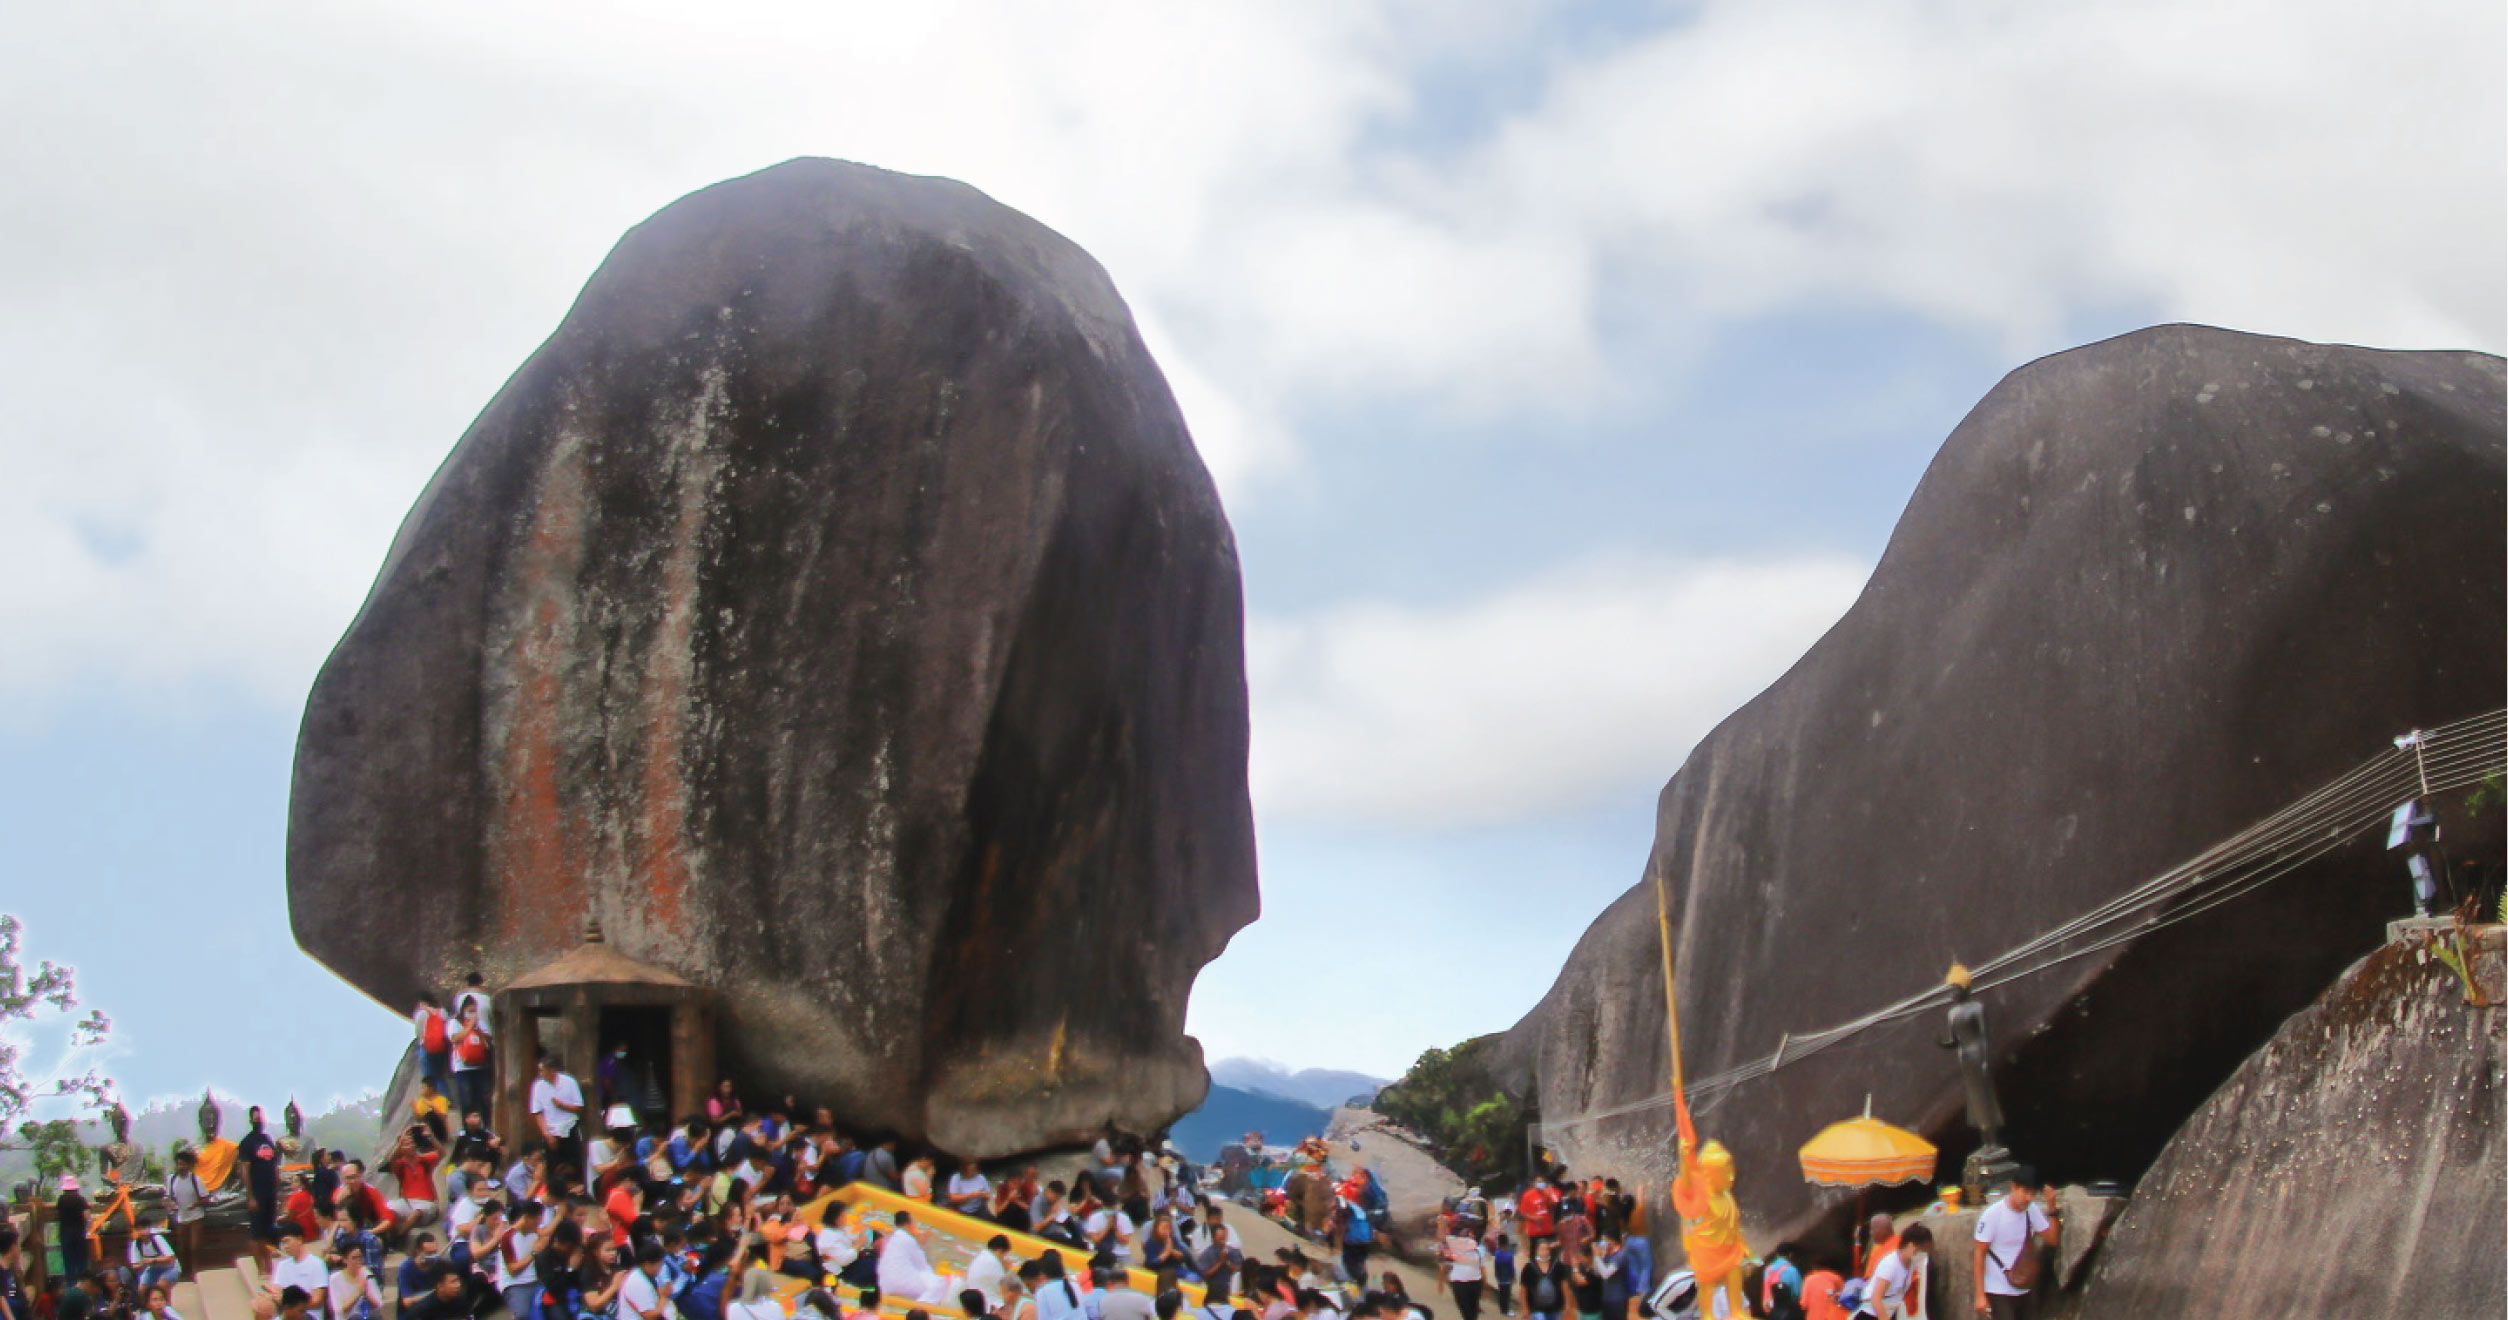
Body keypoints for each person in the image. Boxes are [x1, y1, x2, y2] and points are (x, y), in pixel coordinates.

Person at [1970, 1171, 2056, 1320]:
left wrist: (2052, 1208)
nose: (2028, 1198)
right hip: (1998, 1288)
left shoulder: (2031, 1209)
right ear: (2013, 1188)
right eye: (2025, 1192)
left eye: (2032, 1194)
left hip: (2025, 1285)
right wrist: (1980, 1295)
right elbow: (1979, 1252)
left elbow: (2052, 1240)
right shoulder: (1993, 1214)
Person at [530, 1054, 588, 1184]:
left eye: (542, 1070)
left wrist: (562, 1105)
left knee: (573, 1163)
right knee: (553, 1165)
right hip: (551, 1130)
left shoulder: (569, 1082)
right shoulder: (538, 1086)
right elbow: (537, 1112)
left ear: (552, 1070)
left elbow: (579, 1106)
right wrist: (547, 1134)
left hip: (569, 1127)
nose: (540, 1074)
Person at [1856, 1224, 1929, 1320]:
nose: (1923, 1254)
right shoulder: (1891, 1264)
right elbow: (1875, 1298)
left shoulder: (1911, 1264)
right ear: (1911, 1246)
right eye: (1922, 1249)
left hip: (1888, 1311)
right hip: (1871, 1314)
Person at [240, 1110, 281, 1268]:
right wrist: (250, 1196)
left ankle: (268, 1262)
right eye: (256, 1119)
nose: (259, 1121)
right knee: (256, 1231)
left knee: (267, 1229)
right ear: (251, 1120)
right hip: (256, 1193)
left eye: (261, 1118)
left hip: (270, 1192)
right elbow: (244, 1169)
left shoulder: (267, 1139)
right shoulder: (247, 1142)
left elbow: (274, 1164)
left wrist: (277, 1188)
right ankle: (260, 1267)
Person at [264, 1227, 329, 1320]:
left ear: (299, 1239)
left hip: (308, 1315)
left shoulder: (316, 1264)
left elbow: (317, 1300)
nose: (285, 1246)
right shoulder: (282, 1265)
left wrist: (293, 1306)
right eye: (282, 1243)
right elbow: (276, 1291)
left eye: (287, 1241)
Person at [450, 1000, 495, 1122]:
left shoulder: (479, 1023)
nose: (472, 1013)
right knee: (466, 1100)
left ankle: (486, 1125)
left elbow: (488, 1038)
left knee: (484, 1099)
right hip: (463, 1067)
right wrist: (469, 1026)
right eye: (469, 1011)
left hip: (480, 1066)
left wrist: (478, 1029)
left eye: (474, 1010)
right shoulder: (455, 1022)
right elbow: (455, 1038)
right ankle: (467, 1129)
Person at [128, 1214, 181, 1294]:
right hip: (152, 1270)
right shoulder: (136, 1243)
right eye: (139, 1229)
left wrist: (153, 1260)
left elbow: (171, 1258)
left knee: (161, 1286)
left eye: (144, 1228)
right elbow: (134, 1265)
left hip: (170, 1268)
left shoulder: (157, 1238)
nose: (142, 1232)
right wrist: (143, 1264)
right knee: (142, 1290)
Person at [1517, 1238, 1565, 1320]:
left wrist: (1567, 1304)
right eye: (1542, 1249)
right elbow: (1523, 1290)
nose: (1545, 1252)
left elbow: (1564, 1285)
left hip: (1555, 1309)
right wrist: (1525, 1308)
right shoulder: (1528, 1268)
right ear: (1537, 1251)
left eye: (1547, 1249)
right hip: (1537, 1309)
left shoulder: (1557, 1266)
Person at [56, 1178, 92, 1287]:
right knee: (81, 1262)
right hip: (79, 1234)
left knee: (69, 1263)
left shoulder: (61, 1200)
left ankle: (71, 1287)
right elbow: (87, 1217)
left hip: (65, 1234)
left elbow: (58, 1214)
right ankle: (83, 1286)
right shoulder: (81, 1200)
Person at [329, 1252, 383, 1320]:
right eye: (354, 1258)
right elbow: (339, 1309)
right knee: (355, 1318)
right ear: (345, 1260)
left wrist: (367, 1291)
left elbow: (378, 1304)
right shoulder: (335, 1278)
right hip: (347, 1318)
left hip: (365, 1316)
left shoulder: (366, 1274)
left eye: (360, 1257)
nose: (358, 1261)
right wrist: (358, 1292)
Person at [1760, 1243, 1805, 1320]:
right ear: (1790, 1255)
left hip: (1770, 1309)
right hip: (1788, 1311)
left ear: (1777, 1254)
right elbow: (1798, 1292)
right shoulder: (1792, 1270)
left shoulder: (1768, 1270)